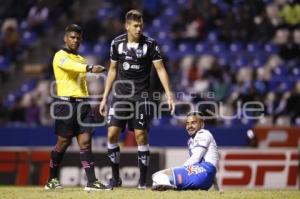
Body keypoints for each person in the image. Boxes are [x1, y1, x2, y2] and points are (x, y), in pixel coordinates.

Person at [99, 10, 175, 189]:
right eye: (135, 26)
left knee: (141, 136)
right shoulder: (116, 43)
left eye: (141, 25)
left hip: (141, 96)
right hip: (120, 96)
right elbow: (112, 70)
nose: (139, 29)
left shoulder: (150, 44)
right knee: (112, 134)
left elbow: (161, 70)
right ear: (127, 26)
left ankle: (142, 182)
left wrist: (169, 94)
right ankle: (115, 178)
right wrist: (104, 97)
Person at [44, 24, 111, 191]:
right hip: (66, 105)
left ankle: (92, 181)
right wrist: (89, 68)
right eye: (72, 37)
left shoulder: (80, 58)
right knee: (62, 143)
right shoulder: (60, 56)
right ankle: (51, 180)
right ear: (65, 39)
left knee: (86, 142)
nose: (75, 40)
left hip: (83, 105)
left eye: (78, 38)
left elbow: (81, 81)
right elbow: (71, 67)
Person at [152, 112, 220, 191]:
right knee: (157, 180)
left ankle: (171, 189)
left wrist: (180, 169)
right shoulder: (191, 141)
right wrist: (216, 188)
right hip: (204, 177)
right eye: (187, 123)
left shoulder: (203, 134)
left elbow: (196, 158)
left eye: (193, 123)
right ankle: (178, 188)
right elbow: (211, 167)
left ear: (202, 124)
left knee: (159, 175)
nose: (189, 126)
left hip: (202, 174)